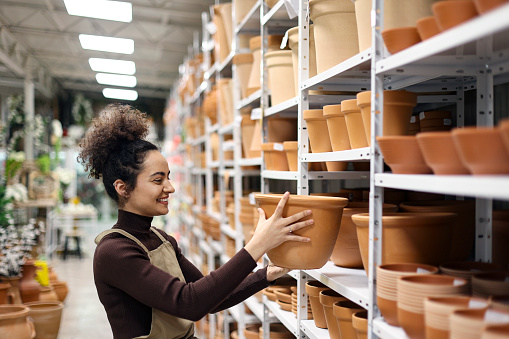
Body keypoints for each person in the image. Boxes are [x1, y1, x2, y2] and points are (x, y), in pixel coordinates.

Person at [77, 104, 313, 339]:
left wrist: (267, 274)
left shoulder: (161, 238)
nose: (170, 187)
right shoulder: (114, 252)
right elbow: (189, 303)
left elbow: (212, 298)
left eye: (168, 178)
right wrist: (256, 246)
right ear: (123, 188)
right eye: (158, 180)